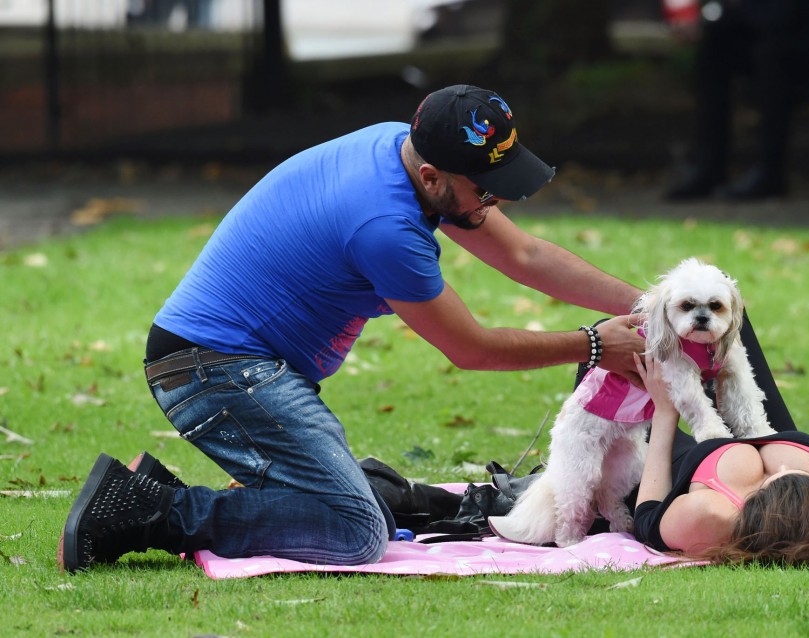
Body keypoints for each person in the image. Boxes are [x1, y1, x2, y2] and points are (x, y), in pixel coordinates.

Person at [56, 84, 648, 573]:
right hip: (215, 371)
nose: (493, 202)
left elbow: (526, 257)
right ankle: (146, 510)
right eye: (484, 188)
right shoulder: (385, 225)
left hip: (237, 365)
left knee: (352, 511)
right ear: (435, 177)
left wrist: (652, 304)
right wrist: (595, 344)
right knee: (355, 530)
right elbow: (471, 349)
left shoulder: (406, 153)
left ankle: (157, 486)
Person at [631, 342, 809, 565]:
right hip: (765, 430)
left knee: (621, 354)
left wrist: (664, 411)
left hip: (682, 458)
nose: (782, 469)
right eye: (802, 477)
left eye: (779, 478)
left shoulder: (711, 515)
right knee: (722, 303)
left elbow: (647, 516)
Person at [664, 0, 809, 201]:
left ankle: (770, 172)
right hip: (776, 33)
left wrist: (736, 6)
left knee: (772, 56)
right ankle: (709, 167)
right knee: (714, 48)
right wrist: (704, 23)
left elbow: (780, 17)